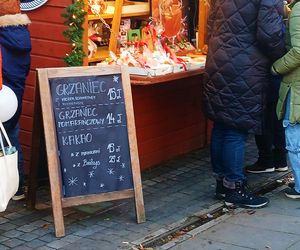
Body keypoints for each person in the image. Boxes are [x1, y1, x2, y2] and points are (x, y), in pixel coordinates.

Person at [203, 0, 286, 208]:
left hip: (219, 58)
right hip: (246, 65)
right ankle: (235, 187)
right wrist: (282, 56)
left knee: (222, 124)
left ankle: (222, 184)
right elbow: (270, 35)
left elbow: (210, 24)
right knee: (236, 129)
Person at [0, 0, 32, 200]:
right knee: (12, 137)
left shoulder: (2, 38)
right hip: (15, 96)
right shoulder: (22, 35)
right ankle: (17, 188)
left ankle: (4, 187)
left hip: (3, 93)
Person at [271, 0, 300, 199]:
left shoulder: (299, 9)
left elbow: (299, 51)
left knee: (294, 135)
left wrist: (276, 67)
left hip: (296, 84)